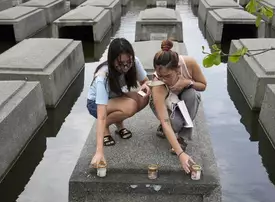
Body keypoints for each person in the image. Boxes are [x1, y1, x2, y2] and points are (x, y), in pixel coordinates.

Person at [87, 38, 151, 168]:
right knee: (130, 106)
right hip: (96, 104)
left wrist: (146, 86)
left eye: (128, 62)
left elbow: (145, 81)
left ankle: (119, 123)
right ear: (112, 60)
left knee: (144, 98)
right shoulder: (102, 76)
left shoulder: (135, 62)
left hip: (118, 97)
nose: (125, 67)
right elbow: (101, 115)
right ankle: (105, 129)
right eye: (121, 63)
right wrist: (99, 152)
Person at [150, 39, 207, 173]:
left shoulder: (189, 63)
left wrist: (188, 83)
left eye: (167, 76)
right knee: (173, 124)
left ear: (178, 68)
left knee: (192, 95)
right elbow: (165, 121)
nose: (163, 79)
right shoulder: (158, 84)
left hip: (184, 95)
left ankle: (182, 137)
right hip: (166, 101)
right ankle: (172, 126)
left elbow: (203, 85)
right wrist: (181, 154)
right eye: (160, 76)